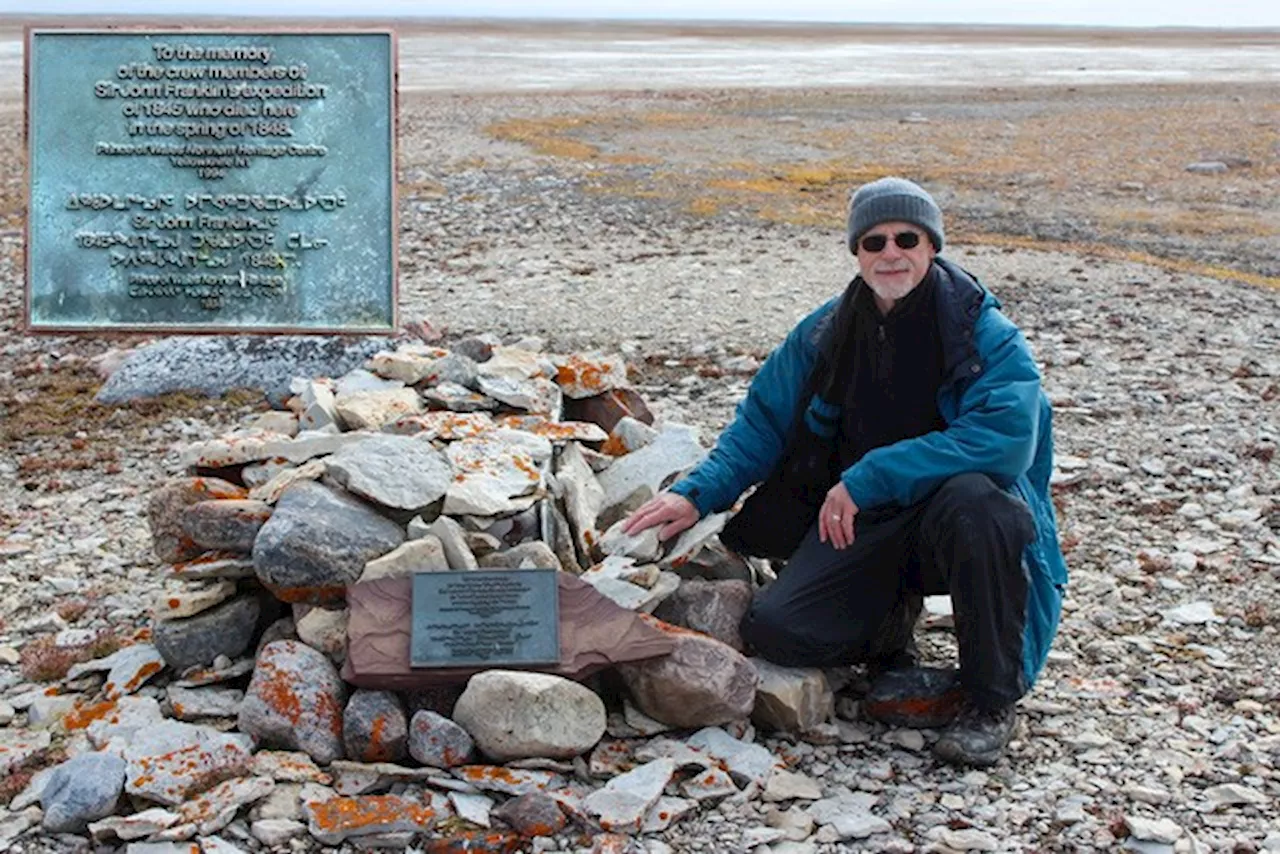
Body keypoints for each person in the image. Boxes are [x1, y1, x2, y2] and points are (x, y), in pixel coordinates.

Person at [622, 176, 1067, 767]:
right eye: (873, 241)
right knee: (779, 631)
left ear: (932, 246)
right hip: (860, 524)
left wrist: (869, 475)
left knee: (982, 506)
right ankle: (889, 629)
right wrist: (697, 495)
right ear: (856, 252)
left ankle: (989, 700)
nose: (890, 253)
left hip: (951, 520)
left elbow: (1004, 443)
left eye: (906, 238)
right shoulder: (823, 334)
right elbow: (761, 425)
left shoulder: (985, 334)